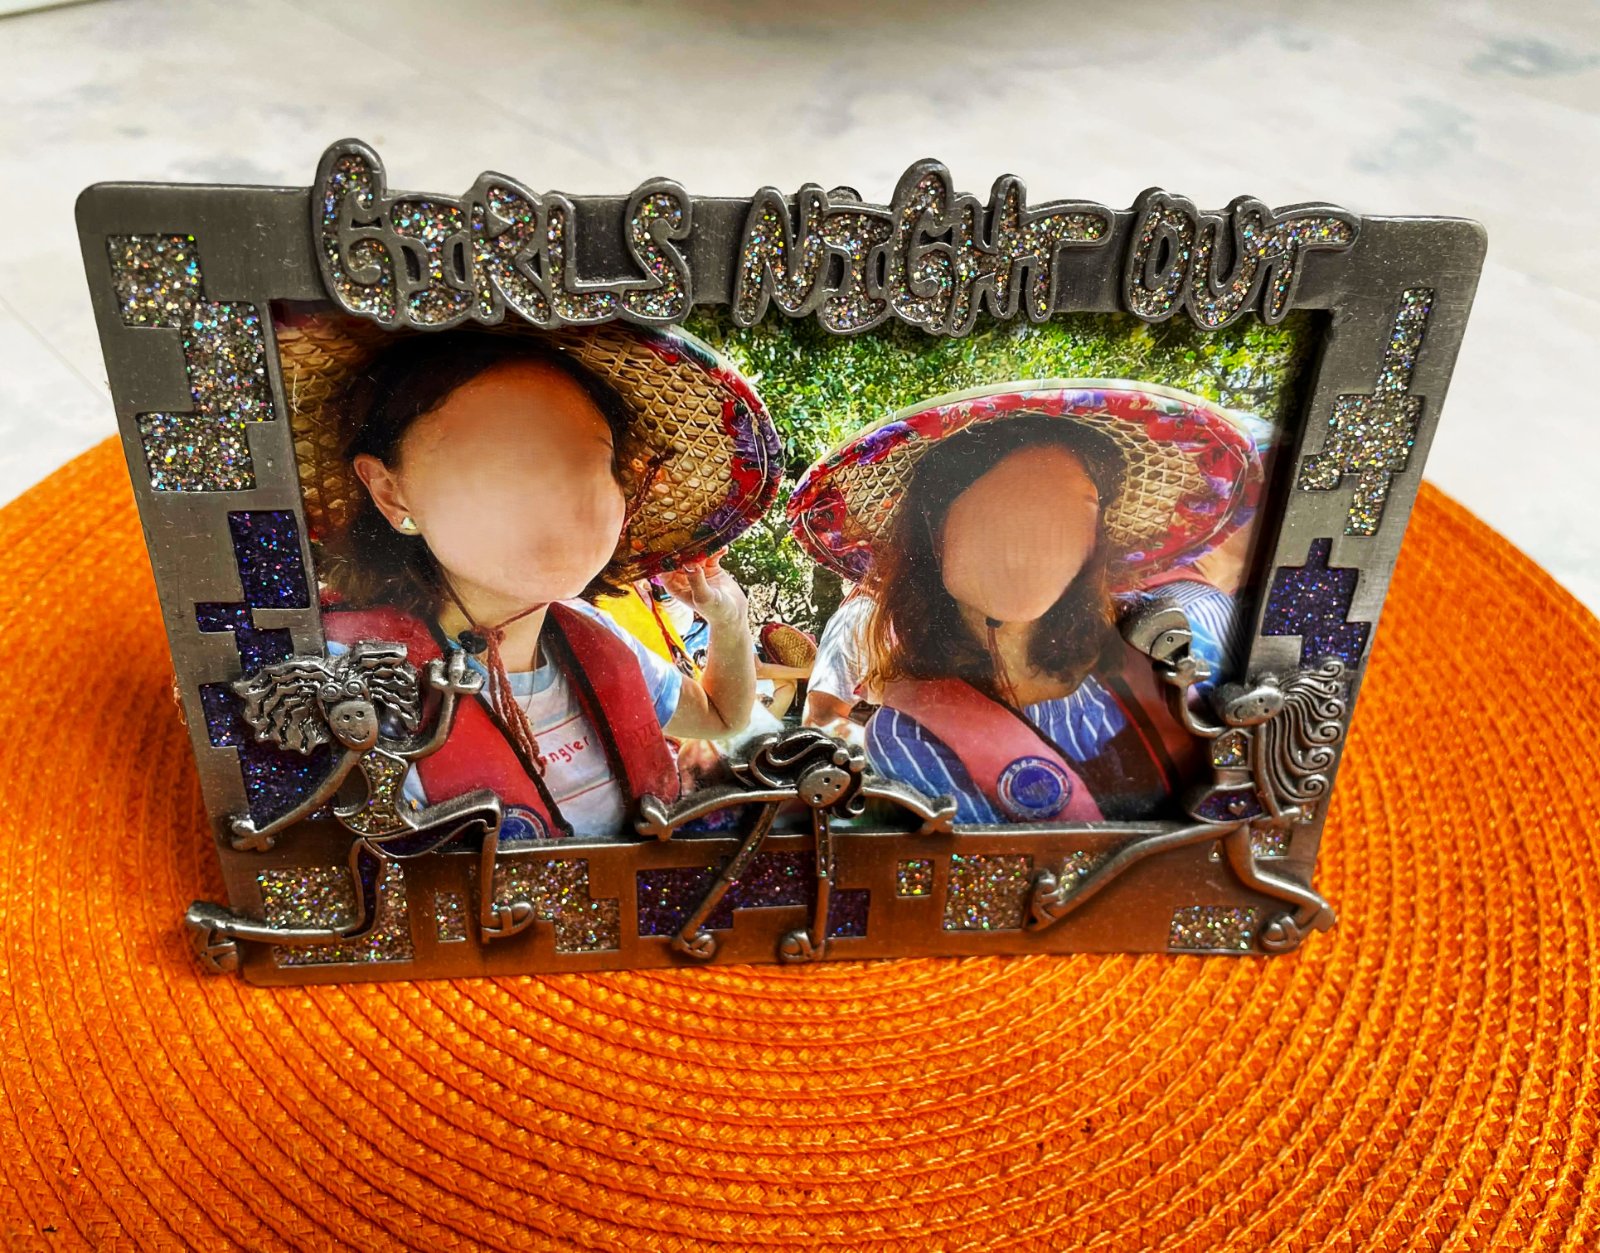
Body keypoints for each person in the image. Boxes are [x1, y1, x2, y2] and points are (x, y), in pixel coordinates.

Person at [279, 314, 783, 841]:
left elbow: (720, 718)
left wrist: (729, 618)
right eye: (504, 457)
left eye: (585, 459)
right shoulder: (342, 680)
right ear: (390, 492)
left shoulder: (592, 632)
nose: (556, 492)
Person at [787, 381, 1260, 823]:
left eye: (1070, 512)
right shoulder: (908, 736)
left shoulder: (1178, 634)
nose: (1035, 541)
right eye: (1004, 508)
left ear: (1095, 536)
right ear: (936, 531)